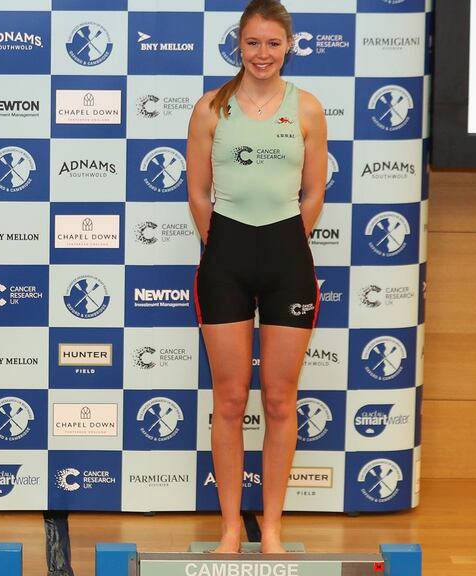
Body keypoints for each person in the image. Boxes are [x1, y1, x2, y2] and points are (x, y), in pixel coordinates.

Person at [186, 0, 327, 554]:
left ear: (288, 45)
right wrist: (220, 242)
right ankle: (228, 529)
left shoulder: (308, 109)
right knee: (228, 397)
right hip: (226, 259)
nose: (262, 54)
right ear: (238, 46)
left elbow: (313, 193)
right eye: (252, 43)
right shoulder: (210, 109)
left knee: (279, 399)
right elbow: (198, 192)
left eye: (272, 43)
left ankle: (270, 529)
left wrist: (288, 240)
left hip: (287, 259)